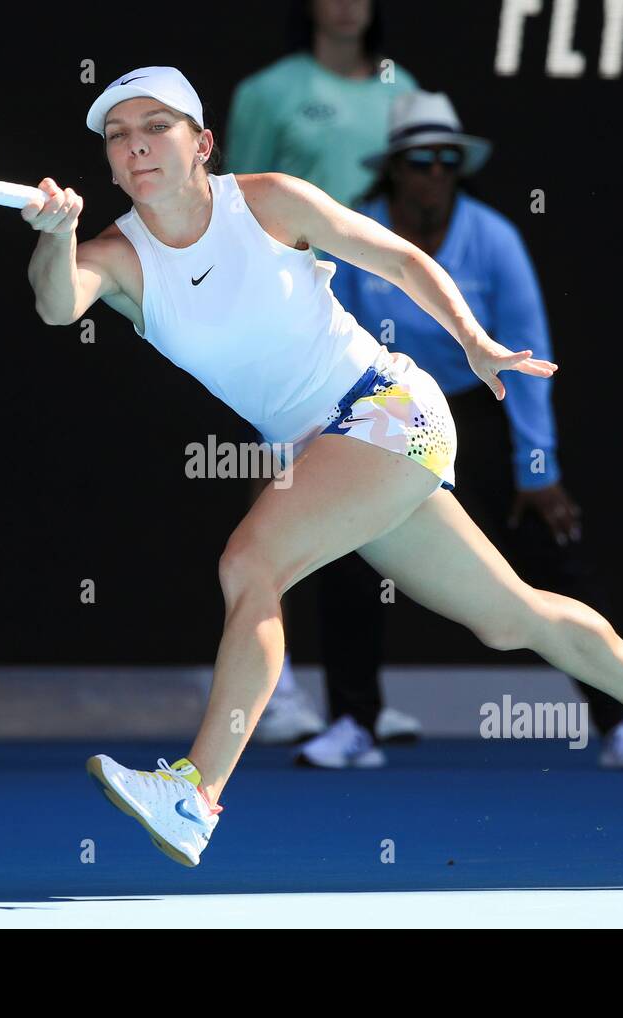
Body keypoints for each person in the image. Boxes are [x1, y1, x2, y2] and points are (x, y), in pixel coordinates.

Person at [24, 66, 623, 867]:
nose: (135, 145)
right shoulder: (117, 255)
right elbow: (59, 303)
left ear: (201, 144)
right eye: (118, 136)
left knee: (252, 562)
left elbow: (401, 261)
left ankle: (195, 793)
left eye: (155, 126)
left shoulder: (267, 201)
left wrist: (472, 340)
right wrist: (56, 236)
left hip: (388, 406)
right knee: (512, 619)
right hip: (331, 449)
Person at [297, 90, 623, 770]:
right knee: (346, 555)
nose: (434, 173)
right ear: (396, 171)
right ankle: (354, 724)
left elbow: (529, 351)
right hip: (383, 410)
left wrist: (538, 469)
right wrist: (328, 445)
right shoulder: (359, 236)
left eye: (447, 161)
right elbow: (329, 340)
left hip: (480, 407)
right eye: (420, 160)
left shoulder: (494, 238)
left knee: (555, 551)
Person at [225, 0, 424, 743]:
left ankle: (357, 696)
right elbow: (229, 202)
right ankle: (272, 694)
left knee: (374, 493)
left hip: (379, 309)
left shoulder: (407, 93)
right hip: (289, 318)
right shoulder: (267, 92)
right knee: (277, 487)